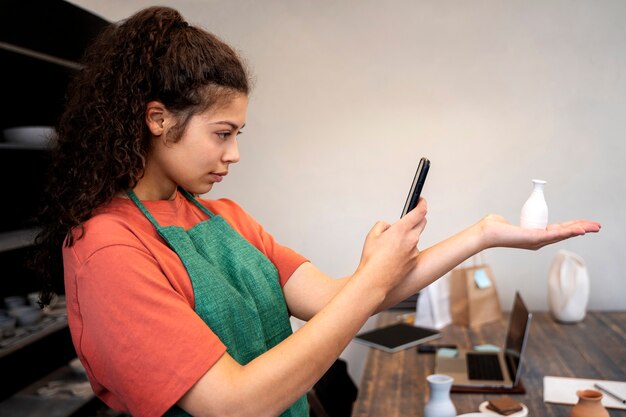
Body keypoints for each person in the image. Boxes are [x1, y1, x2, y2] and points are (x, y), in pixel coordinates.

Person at [34, 6, 601, 417]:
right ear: (158, 119)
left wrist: (483, 235)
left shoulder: (224, 218)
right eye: (223, 133)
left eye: (240, 133)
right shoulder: (109, 249)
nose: (234, 154)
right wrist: (372, 277)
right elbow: (234, 405)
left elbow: (340, 299)